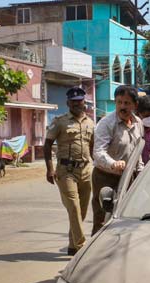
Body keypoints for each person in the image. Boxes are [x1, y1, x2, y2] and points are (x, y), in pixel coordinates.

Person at [44, 86, 95, 256]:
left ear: (84, 102)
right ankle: (81, 247)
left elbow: (93, 147)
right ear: (68, 103)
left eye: (79, 101)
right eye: (73, 102)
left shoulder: (90, 123)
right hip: (66, 171)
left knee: (82, 211)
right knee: (73, 207)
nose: (76, 104)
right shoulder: (60, 121)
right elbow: (47, 144)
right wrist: (50, 169)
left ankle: (72, 246)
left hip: (86, 170)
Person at [92, 85, 144, 234]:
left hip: (129, 177)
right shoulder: (106, 123)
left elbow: (137, 150)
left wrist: (141, 171)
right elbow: (98, 151)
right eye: (119, 102)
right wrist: (113, 164)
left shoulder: (138, 123)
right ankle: (97, 254)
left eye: (127, 103)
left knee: (128, 217)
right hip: (105, 177)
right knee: (102, 219)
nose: (122, 107)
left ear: (135, 105)